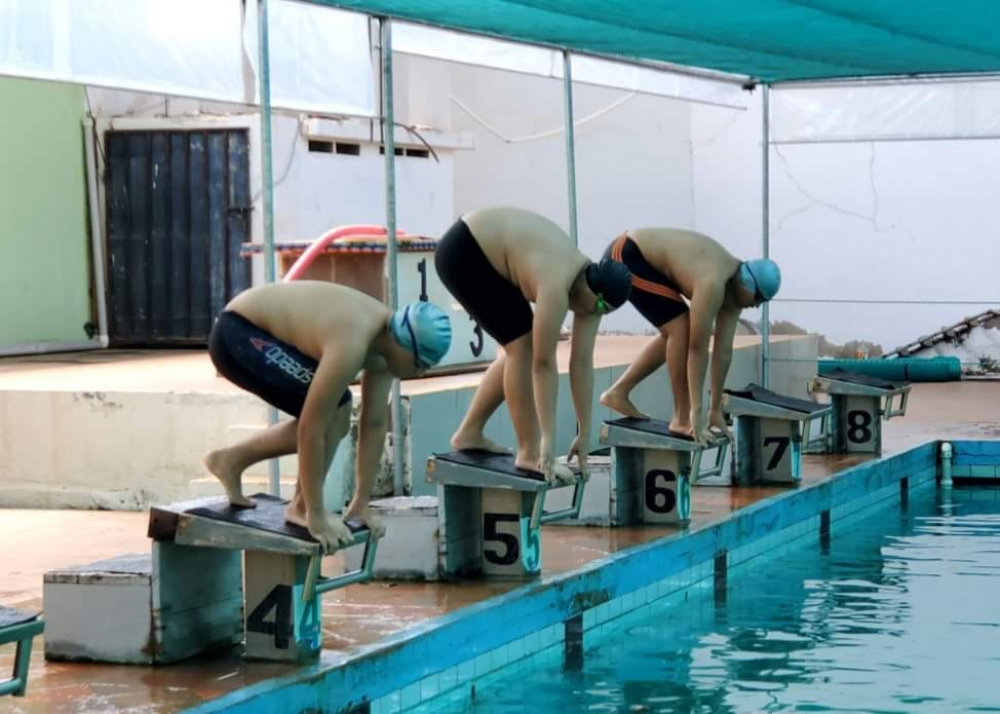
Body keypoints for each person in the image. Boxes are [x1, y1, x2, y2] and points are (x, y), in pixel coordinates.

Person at [203, 281, 452, 552]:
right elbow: (310, 430)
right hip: (237, 332)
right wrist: (317, 515)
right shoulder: (353, 339)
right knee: (335, 411)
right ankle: (300, 508)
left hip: (253, 330)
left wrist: (360, 503)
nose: (419, 374)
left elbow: (374, 423)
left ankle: (231, 460)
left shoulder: (386, 345)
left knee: (337, 415)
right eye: (420, 364)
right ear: (404, 346)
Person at [434, 206, 632, 482]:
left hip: (491, 251)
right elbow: (543, 364)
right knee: (522, 348)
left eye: (605, 311)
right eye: (600, 306)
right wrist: (546, 441)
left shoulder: (591, 297)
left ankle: (469, 432)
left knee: (518, 344)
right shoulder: (557, 284)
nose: (598, 314)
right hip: (465, 250)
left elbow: (582, 363)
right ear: (593, 289)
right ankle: (528, 453)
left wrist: (584, 432)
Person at [598, 228, 781, 444]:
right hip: (626, 254)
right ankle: (681, 418)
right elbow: (697, 349)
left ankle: (617, 393)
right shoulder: (713, 282)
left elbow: (723, 352)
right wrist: (697, 411)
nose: (757, 305)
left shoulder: (734, 293)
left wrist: (715, 410)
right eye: (758, 298)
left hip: (638, 256)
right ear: (747, 284)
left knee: (676, 327)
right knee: (680, 327)